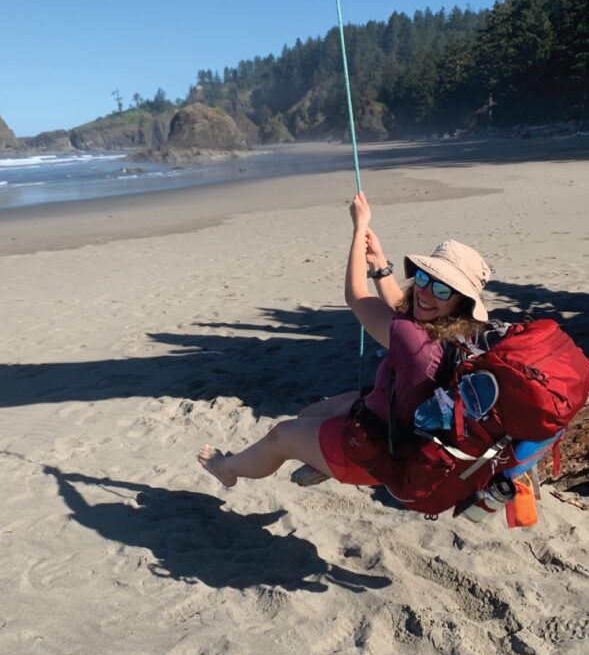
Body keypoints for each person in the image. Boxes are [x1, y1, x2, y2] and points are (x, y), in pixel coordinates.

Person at [197, 191, 492, 490]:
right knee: (308, 414)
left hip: (375, 453)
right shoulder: (457, 333)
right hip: (398, 428)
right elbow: (405, 310)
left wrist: (359, 227)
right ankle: (319, 456)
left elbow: (356, 296)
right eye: (424, 280)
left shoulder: (410, 340)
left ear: (460, 302)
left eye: (442, 290)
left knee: (280, 436)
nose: (426, 293)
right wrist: (378, 263)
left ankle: (226, 468)